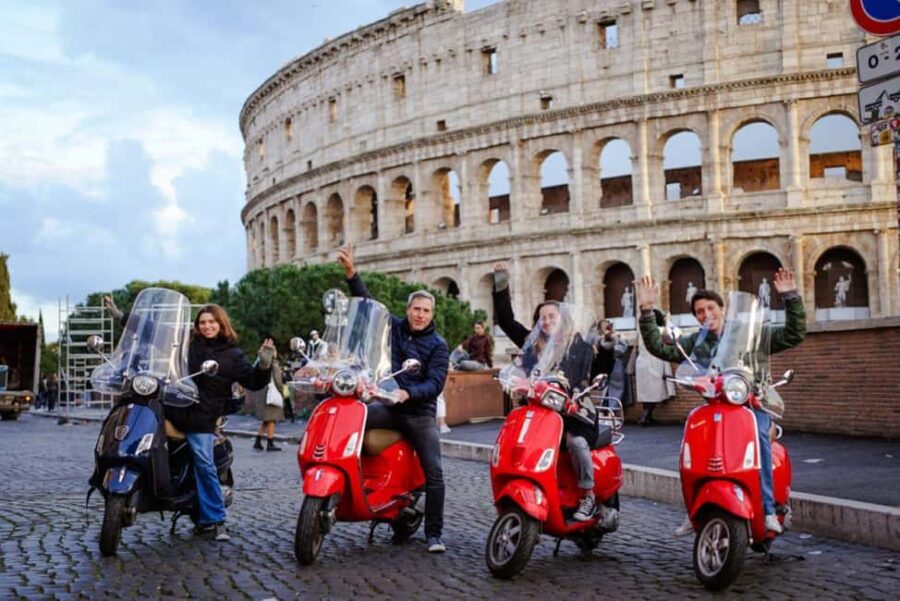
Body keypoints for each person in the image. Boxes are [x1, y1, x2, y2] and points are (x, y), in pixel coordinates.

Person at [635, 268, 805, 536]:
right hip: (715, 408)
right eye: (700, 311)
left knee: (759, 438)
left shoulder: (749, 333)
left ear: (722, 308)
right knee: (691, 447)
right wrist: (646, 311)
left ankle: (769, 509)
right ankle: (693, 512)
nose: (706, 314)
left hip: (752, 406)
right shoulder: (696, 340)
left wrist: (791, 297)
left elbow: (793, 335)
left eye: (711, 308)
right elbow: (661, 349)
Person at [338, 244, 449, 554]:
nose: (420, 315)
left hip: (417, 412)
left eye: (426, 311)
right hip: (386, 405)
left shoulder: (438, 346)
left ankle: (434, 534)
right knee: (350, 420)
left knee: (435, 472)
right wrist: (352, 274)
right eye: (416, 309)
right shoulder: (396, 329)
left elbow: (436, 383)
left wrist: (408, 392)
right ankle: (356, 488)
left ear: (432, 315)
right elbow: (371, 306)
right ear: (409, 309)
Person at [492, 261, 600, 522]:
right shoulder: (532, 345)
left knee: (576, 443)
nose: (548, 320)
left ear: (562, 319)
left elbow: (599, 365)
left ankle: (588, 495)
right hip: (539, 413)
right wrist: (501, 281)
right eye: (543, 317)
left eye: (552, 316)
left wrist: (607, 346)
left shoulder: (578, 346)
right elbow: (506, 321)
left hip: (576, 413)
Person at [165, 304, 275, 542]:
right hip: (174, 409)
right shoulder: (187, 347)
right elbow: (159, 334)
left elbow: (253, 381)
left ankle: (215, 519)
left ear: (221, 324)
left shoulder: (232, 355)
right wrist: (122, 317)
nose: (206, 326)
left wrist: (264, 363)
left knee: (203, 462)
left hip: (201, 416)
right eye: (202, 322)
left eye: (211, 322)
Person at [633, 309, 675, 426]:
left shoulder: (642, 331)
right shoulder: (659, 330)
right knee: (654, 391)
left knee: (646, 392)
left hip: (641, 362)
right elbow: (671, 338)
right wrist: (668, 322)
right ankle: (645, 415)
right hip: (654, 361)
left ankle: (648, 416)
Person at [248, 340, 285, 451]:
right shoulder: (271, 362)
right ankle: (270, 442)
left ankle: (258, 440)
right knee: (272, 419)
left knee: (267, 419)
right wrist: (281, 390)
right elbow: (278, 379)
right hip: (270, 393)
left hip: (264, 392)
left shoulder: (261, 361)